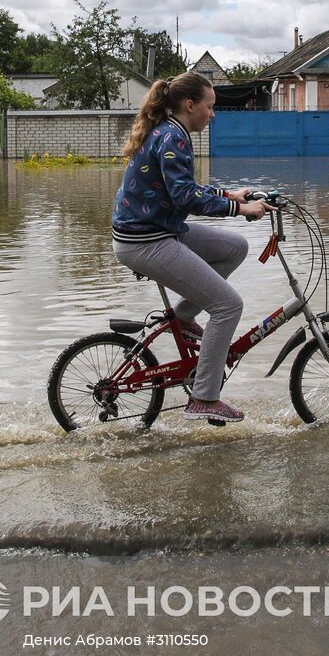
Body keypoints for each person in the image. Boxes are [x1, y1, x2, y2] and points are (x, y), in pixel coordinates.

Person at [111, 71, 270, 423]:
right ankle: (204, 397)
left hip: (157, 230)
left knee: (234, 247)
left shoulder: (172, 132)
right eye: (209, 107)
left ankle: (183, 318)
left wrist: (228, 195)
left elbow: (183, 188)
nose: (212, 114)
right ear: (189, 105)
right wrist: (240, 208)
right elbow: (185, 197)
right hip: (146, 241)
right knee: (228, 305)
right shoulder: (173, 136)